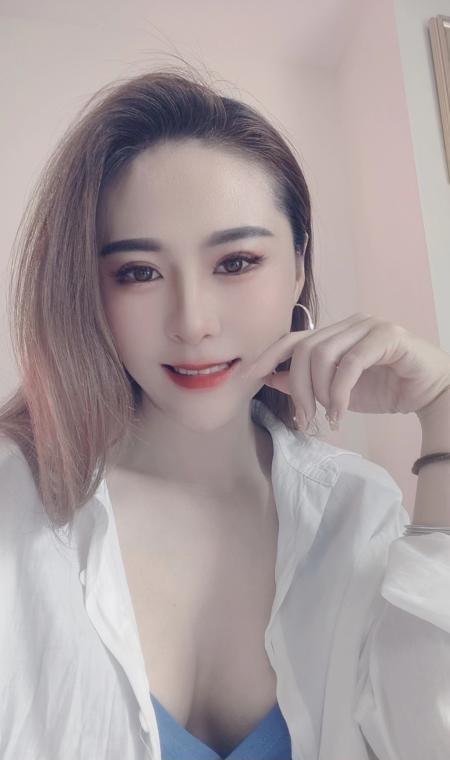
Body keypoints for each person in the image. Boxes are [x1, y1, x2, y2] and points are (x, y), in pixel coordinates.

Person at [1, 65, 450, 760]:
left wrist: (443, 408)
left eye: (236, 262)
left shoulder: (356, 511)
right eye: (139, 272)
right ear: (89, 288)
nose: (192, 322)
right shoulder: (16, 504)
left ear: (298, 266)